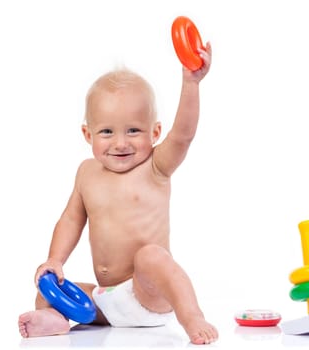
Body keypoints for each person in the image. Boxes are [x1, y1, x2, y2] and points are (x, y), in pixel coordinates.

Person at [18, 42, 217, 345]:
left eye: (134, 131)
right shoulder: (86, 173)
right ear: (88, 134)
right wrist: (55, 259)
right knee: (46, 289)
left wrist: (191, 83)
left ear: (155, 132)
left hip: (150, 296)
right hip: (106, 301)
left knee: (151, 256)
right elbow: (71, 219)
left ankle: (192, 317)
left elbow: (184, 135)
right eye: (107, 132)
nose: (120, 143)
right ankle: (56, 321)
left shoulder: (156, 167)